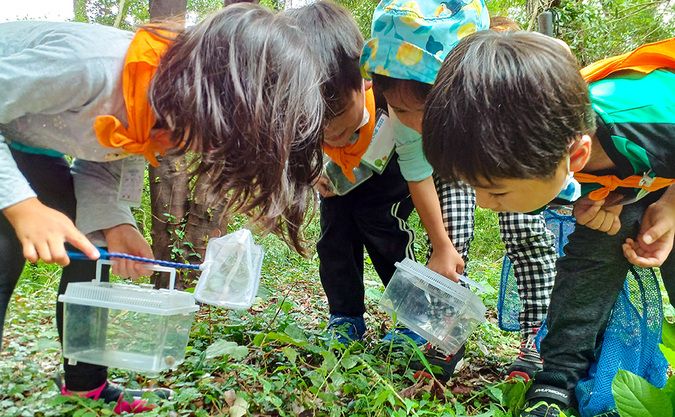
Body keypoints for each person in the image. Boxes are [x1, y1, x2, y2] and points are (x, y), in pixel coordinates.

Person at [0, 3, 323, 413]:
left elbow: (100, 161)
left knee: (88, 250)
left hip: (31, 140)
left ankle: (86, 386)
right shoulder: (92, 67)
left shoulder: (154, 112)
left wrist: (116, 224)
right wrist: (21, 204)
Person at [423, 30, 674, 416]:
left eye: (497, 193)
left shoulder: (651, 121)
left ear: (575, 157)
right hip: (635, 173)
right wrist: (596, 201)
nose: (485, 205)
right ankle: (557, 378)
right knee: (588, 267)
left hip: (661, 159)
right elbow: (570, 190)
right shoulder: (547, 143)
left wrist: (671, 206)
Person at [359, 0, 490, 380]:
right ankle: (435, 330)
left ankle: (454, 333)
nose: (410, 121)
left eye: (421, 110)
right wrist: (441, 244)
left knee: (495, 231)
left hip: (480, 153)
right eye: (398, 108)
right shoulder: (405, 115)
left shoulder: (488, 108)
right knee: (448, 241)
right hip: (444, 163)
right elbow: (417, 173)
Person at [283, 1, 423, 347]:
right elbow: (292, 147)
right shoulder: (297, 111)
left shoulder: (391, 99)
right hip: (335, 179)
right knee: (334, 238)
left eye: (340, 121)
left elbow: (417, 161)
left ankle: (413, 320)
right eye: (320, 128)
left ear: (363, 80)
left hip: (387, 172)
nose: (331, 134)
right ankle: (345, 317)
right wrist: (313, 171)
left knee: (385, 231)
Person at [430, 15, 557, 380]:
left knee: (525, 230)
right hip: (460, 152)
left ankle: (536, 337)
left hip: (513, 155)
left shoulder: (526, 82)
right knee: (451, 232)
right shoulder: (458, 71)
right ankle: (446, 331)